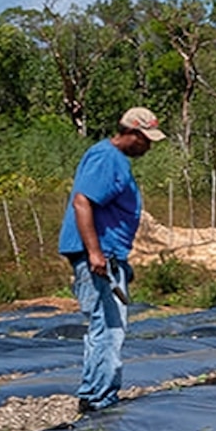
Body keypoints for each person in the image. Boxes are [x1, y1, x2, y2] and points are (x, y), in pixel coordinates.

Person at [59, 107, 165, 413]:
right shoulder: (108, 158)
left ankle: (94, 393)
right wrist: (95, 252)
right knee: (109, 328)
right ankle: (100, 399)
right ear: (131, 133)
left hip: (109, 255)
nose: (148, 147)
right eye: (146, 140)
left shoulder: (110, 158)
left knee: (103, 326)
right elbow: (82, 202)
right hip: (100, 255)